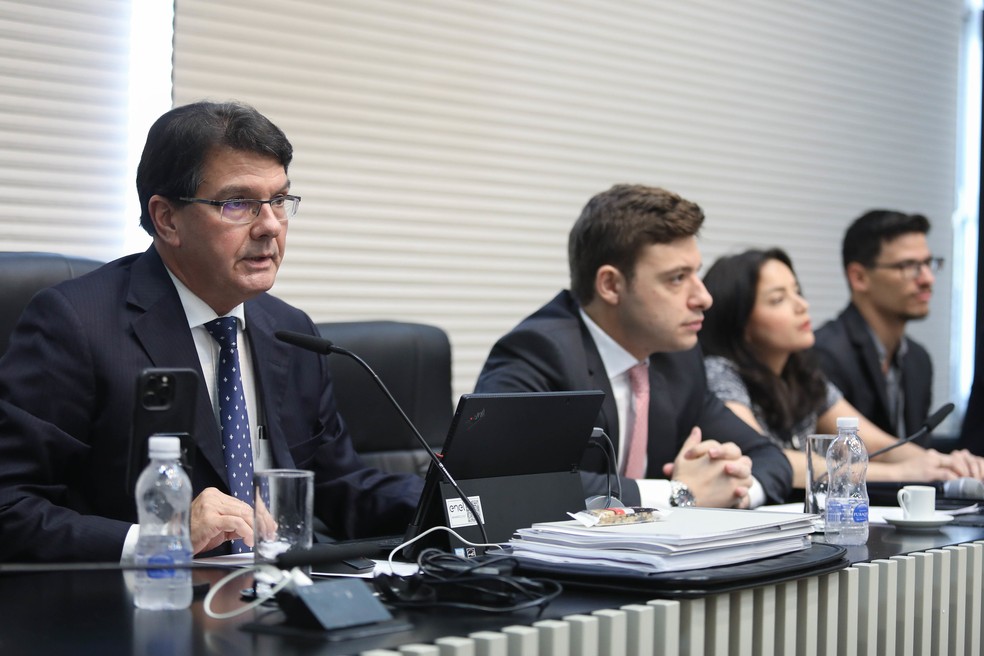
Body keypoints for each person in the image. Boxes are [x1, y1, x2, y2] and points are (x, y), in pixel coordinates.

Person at [0, 101, 423, 562]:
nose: (269, 226)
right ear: (167, 219)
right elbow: (11, 506)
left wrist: (456, 495)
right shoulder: (76, 325)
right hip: (143, 607)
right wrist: (162, 537)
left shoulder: (290, 331)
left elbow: (340, 488)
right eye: (237, 203)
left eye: (279, 200)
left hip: (282, 604)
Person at [475, 184, 793, 509]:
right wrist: (679, 494)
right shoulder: (539, 353)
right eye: (677, 278)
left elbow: (769, 457)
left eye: (695, 273)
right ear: (611, 285)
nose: (703, 298)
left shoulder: (677, 358)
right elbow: (500, 481)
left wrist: (735, 491)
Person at [699, 247, 983, 491]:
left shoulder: (802, 374)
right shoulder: (719, 374)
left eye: (796, 292)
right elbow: (766, 458)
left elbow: (876, 444)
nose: (802, 305)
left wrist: (944, 463)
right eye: (778, 299)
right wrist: (901, 474)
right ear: (739, 323)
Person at [813, 210, 942, 440]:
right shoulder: (825, 355)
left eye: (928, 264)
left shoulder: (918, 359)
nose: (927, 279)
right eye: (908, 266)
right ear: (859, 278)